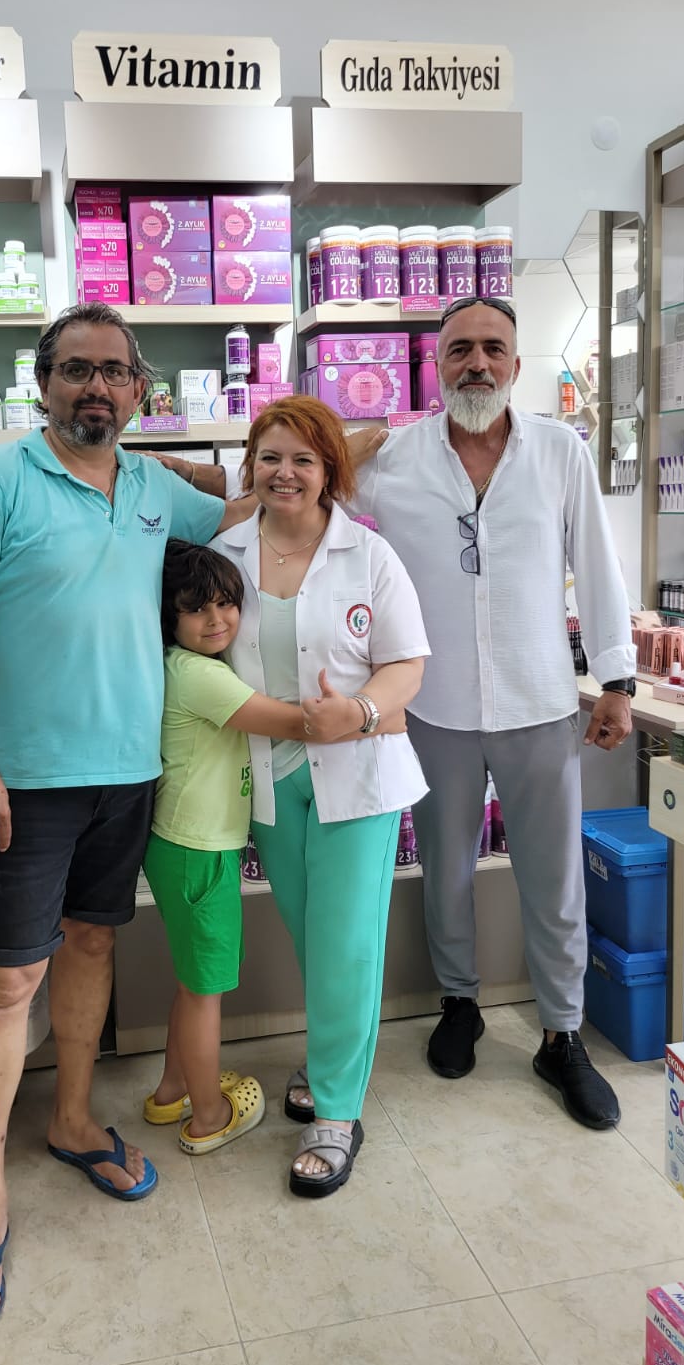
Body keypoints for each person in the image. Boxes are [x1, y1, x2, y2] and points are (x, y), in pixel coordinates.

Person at [0, 302, 254, 1334]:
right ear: (44, 383)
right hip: (21, 782)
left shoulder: (152, 489)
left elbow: (253, 501)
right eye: (76, 370)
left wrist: (312, 457)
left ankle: (70, 1120)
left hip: (129, 772)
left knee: (95, 944)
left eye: (114, 372)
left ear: (141, 391)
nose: (95, 387)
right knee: (6, 980)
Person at [349, 296, 636, 1130]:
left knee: (553, 874)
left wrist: (616, 678)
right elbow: (293, 474)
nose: (477, 363)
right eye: (460, 350)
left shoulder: (559, 450)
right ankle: (459, 1003)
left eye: (494, 349)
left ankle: (561, 1034)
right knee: (445, 865)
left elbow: (597, 561)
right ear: (436, 365)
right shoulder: (393, 457)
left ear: (516, 361)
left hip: (537, 696)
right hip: (432, 703)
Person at [212, 396, 430, 1197]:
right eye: (270, 457)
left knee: (345, 945)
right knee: (312, 937)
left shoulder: (369, 555)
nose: (286, 473)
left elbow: (407, 664)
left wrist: (363, 711)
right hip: (272, 779)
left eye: (304, 459)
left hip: (359, 775)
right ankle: (328, 1055)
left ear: (330, 469)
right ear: (251, 467)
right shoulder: (225, 553)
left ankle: (337, 1112)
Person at [143, 539, 369, 1155]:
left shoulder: (188, 667)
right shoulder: (200, 677)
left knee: (194, 981)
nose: (217, 619)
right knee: (205, 990)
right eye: (197, 609)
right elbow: (291, 722)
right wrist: (372, 715)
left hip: (187, 846)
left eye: (226, 603)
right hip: (198, 850)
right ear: (170, 617)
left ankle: (172, 1090)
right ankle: (208, 1115)